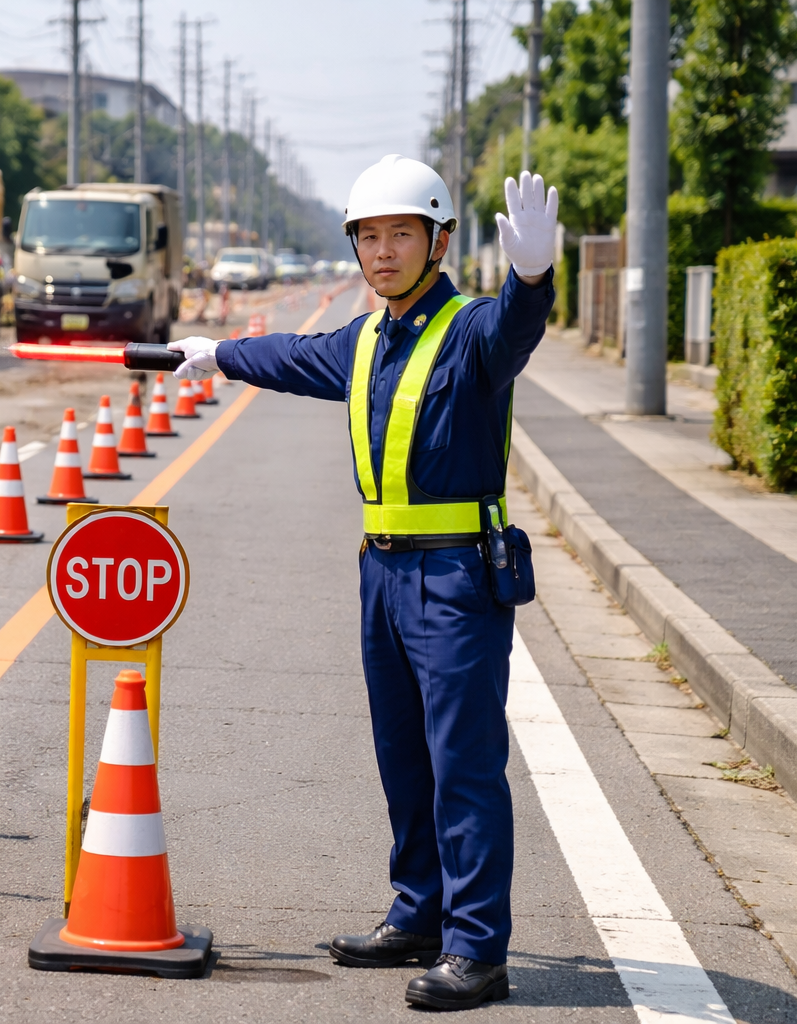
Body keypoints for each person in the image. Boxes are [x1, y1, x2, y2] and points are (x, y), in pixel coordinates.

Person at [167, 154, 559, 1011]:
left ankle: (478, 951)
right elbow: (291, 354)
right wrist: (218, 353)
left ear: (439, 240)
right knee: (402, 755)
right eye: (368, 237)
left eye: (399, 235)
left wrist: (534, 275)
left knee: (464, 763)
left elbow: (519, 329)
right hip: (381, 571)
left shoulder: (471, 331)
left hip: (455, 576)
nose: (381, 252)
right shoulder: (368, 338)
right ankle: (420, 911)